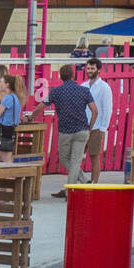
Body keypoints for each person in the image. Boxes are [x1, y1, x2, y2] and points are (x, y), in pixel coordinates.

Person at [47, 64, 97, 198]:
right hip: (82, 129)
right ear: (73, 75)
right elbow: (94, 111)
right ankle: (84, 180)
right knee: (75, 161)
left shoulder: (55, 91)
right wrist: (89, 128)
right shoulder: (84, 90)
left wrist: (31, 116)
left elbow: (42, 106)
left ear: (60, 76)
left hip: (65, 131)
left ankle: (70, 193)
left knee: (64, 159)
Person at [84, 56, 114, 183]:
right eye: (88, 68)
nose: (89, 70)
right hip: (82, 126)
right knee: (75, 157)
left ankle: (94, 183)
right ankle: (76, 182)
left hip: (96, 127)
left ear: (98, 70)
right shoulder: (83, 86)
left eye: (92, 68)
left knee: (94, 156)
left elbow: (107, 108)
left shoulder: (104, 87)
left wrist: (103, 128)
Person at [0, 75, 24, 162]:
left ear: (7, 84)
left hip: (4, 129)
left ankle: (11, 175)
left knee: (6, 157)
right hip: (11, 129)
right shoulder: (16, 98)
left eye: (1, 82)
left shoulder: (7, 98)